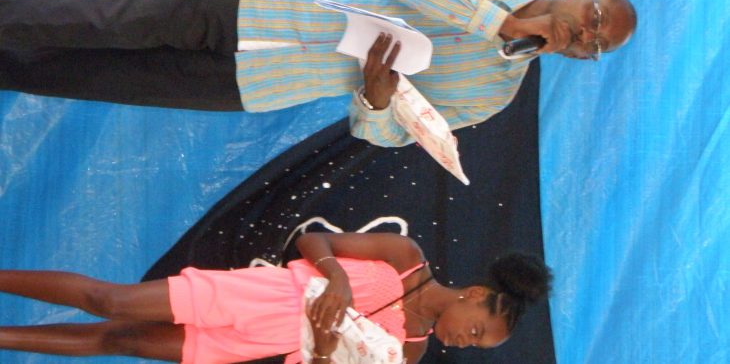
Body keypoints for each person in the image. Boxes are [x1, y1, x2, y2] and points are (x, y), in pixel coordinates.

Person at [0, 0, 637, 147]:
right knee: (79, 17)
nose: (586, 38)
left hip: (256, 84)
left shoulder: (494, 94)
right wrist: (496, 21)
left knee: (81, 75)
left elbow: (392, 136)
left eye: (596, 47)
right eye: (594, 20)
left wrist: (377, 100)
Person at [0, 232, 551, 363]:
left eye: (475, 346)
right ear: (475, 294)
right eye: (476, 328)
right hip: (258, 296)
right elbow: (312, 241)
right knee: (110, 302)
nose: (464, 340)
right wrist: (336, 279)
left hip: (262, 343)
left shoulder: (410, 350)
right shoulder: (406, 257)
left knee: (119, 341)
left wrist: (327, 350)